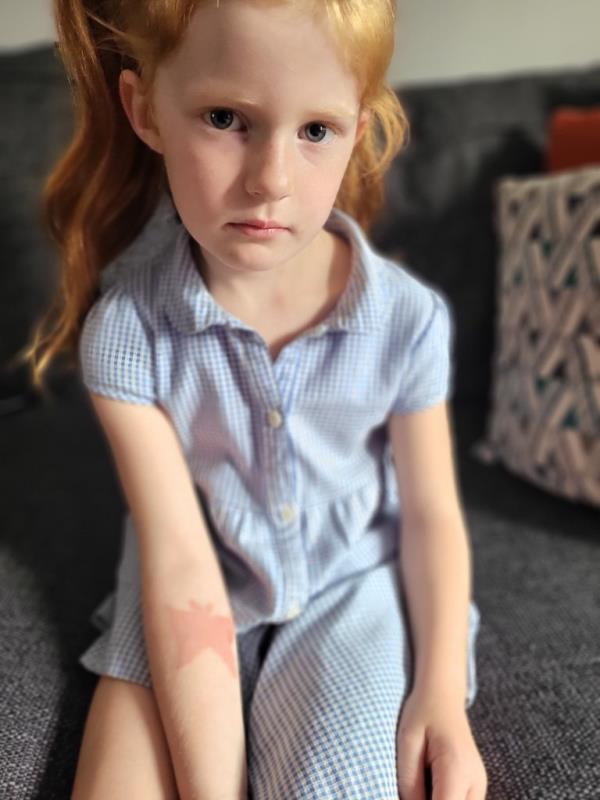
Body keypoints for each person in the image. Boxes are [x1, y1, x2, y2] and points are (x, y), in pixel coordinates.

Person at [25, 1, 487, 798]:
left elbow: (431, 516)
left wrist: (440, 695)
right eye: (226, 117)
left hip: (348, 582)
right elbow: (178, 563)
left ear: (359, 129)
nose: (271, 180)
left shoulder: (407, 321)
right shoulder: (127, 333)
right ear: (146, 112)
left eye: (316, 131)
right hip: (184, 578)